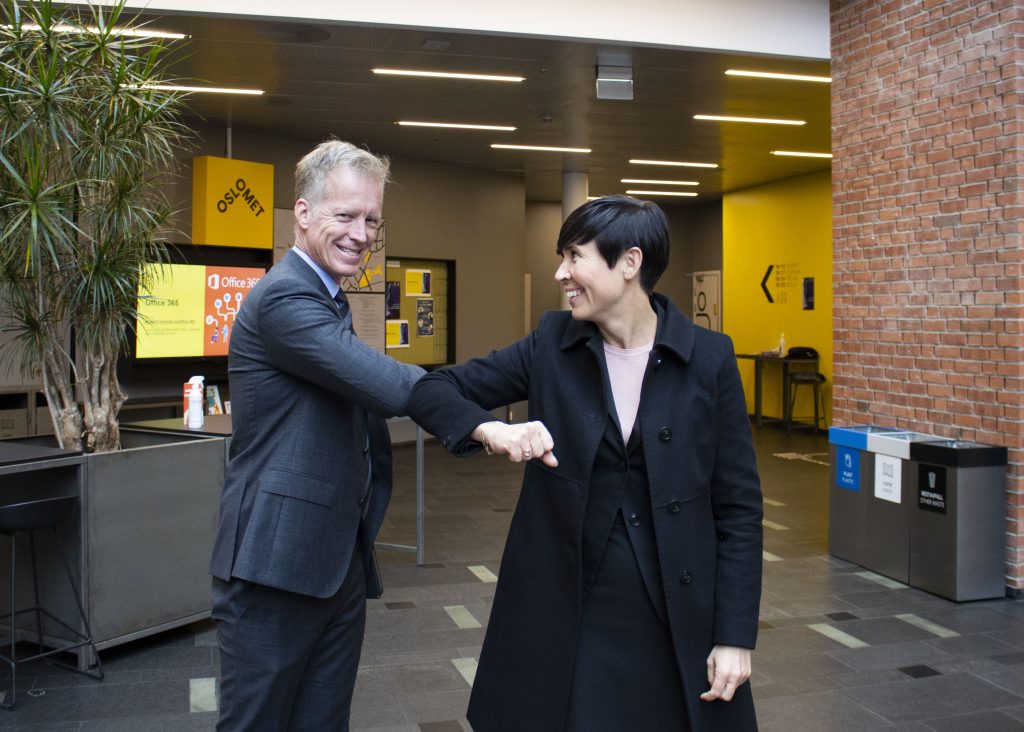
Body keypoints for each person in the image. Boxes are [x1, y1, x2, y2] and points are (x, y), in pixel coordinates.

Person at [408, 195, 763, 731]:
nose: (561, 272)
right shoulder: (551, 344)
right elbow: (435, 389)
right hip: (568, 610)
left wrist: (735, 635)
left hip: (674, 609)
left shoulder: (709, 359)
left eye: (575, 256)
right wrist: (492, 430)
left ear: (629, 263)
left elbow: (738, 509)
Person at [210, 140, 424, 731]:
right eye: (346, 215)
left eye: (372, 219)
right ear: (303, 214)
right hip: (274, 562)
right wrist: (480, 420)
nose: (361, 233)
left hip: (333, 559)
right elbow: (381, 381)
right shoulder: (285, 295)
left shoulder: (328, 296)